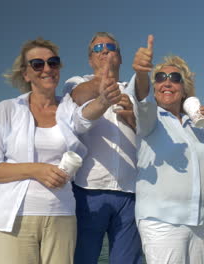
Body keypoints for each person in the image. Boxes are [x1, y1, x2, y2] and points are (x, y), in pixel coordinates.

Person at [0, 37, 120, 264]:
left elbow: (83, 118)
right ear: (26, 74)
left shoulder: (67, 108)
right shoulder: (6, 110)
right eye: (38, 64)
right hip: (14, 220)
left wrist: (104, 101)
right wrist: (36, 170)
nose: (47, 69)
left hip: (62, 218)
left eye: (53, 62)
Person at [129, 35, 204, 263]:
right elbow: (141, 102)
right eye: (160, 78)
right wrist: (142, 72)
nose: (167, 82)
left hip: (198, 222)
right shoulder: (150, 118)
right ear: (154, 89)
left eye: (175, 78)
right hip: (162, 222)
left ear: (184, 89)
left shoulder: (196, 127)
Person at [62, 32, 142, 263]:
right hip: (88, 191)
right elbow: (77, 97)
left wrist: (133, 117)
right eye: (98, 49)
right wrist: (104, 81)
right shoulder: (77, 82)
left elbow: (147, 136)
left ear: (120, 56)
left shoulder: (134, 92)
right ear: (90, 59)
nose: (105, 51)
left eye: (110, 47)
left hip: (130, 193)